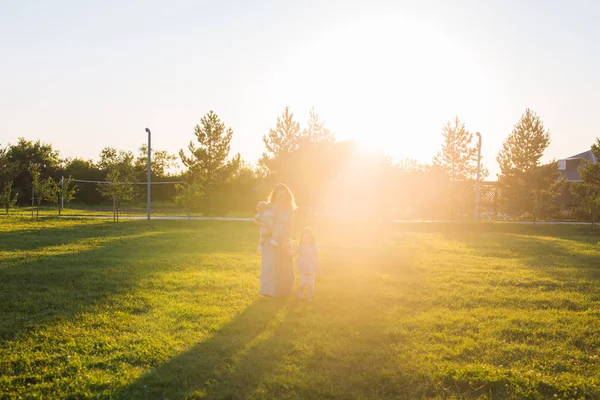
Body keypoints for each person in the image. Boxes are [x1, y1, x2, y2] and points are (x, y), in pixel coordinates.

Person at [255, 184, 296, 297]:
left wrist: (285, 239)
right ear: (275, 194)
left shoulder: (289, 208)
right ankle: (267, 292)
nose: (281, 196)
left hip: (283, 238)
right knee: (268, 264)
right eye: (279, 193)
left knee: (285, 264)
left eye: (284, 194)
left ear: (287, 195)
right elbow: (258, 220)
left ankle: (285, 290)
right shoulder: (268, 206)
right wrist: (267, 227)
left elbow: (291, 227)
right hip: (269, 237)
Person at [291, 228, 321, 303]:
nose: (307, 239)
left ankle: (309, 297)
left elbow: (317, 258)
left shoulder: (314, 247)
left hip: (312, 268)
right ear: (302, 238)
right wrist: (286, 251)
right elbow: (293, 253)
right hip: (303, 268)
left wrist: (319, 268)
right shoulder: (300, 246)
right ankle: (300, 289)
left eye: (309, 238)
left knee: (311, 284)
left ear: (312, 238)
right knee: (304, 282)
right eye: (305, 238)